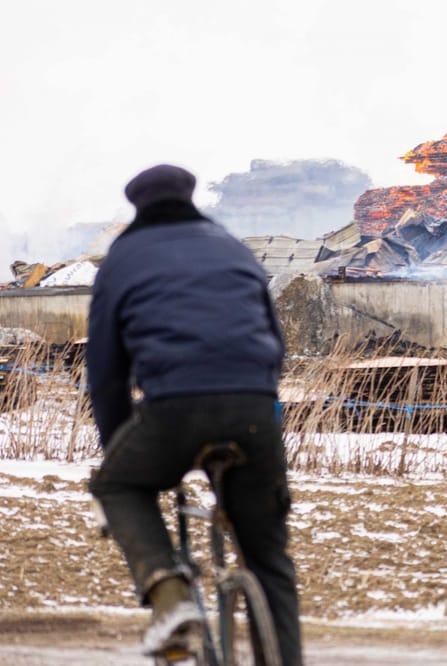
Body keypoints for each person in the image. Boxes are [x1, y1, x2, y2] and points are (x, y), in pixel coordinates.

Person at [87, 164, 302, 664]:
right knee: (270, 559)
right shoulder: (231, 246)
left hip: (173, 409)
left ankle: (170, 599)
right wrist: (263, 412)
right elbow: (275, 342)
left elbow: (105, 374)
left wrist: (118, 445)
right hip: (252, 409)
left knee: (116, 485)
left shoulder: (122, 259)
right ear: (190, 198)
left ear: (137, 207)